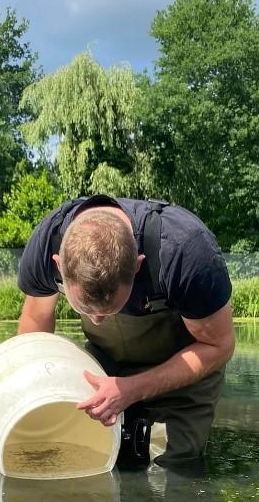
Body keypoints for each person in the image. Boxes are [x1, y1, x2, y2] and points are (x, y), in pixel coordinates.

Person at [17, 194, 235, 468]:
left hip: (185, 369)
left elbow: (219, 347)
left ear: (138, 265)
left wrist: (132, 389)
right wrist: (32, 401)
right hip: (105, 363)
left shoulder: (186, 253)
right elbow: (35, 328)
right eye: (85, 308)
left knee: (170, 464)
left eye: (108, 310)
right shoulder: (46, 242)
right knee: (84, 453)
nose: (96, 321)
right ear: (59, 265)